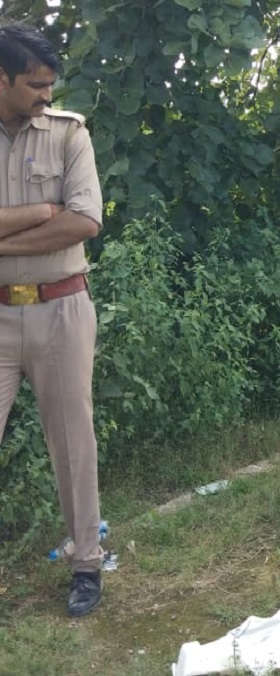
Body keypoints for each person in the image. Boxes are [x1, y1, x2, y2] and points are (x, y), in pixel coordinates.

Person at [0, 21, 104, 617]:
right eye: (35, 84)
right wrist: (41, 210)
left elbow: (85, 221)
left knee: (72, 443)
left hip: (62, 307)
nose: (46, 94)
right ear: (3, 79)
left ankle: (87, 563)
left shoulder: (69, 136)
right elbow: (59, 216)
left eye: (50, 84)